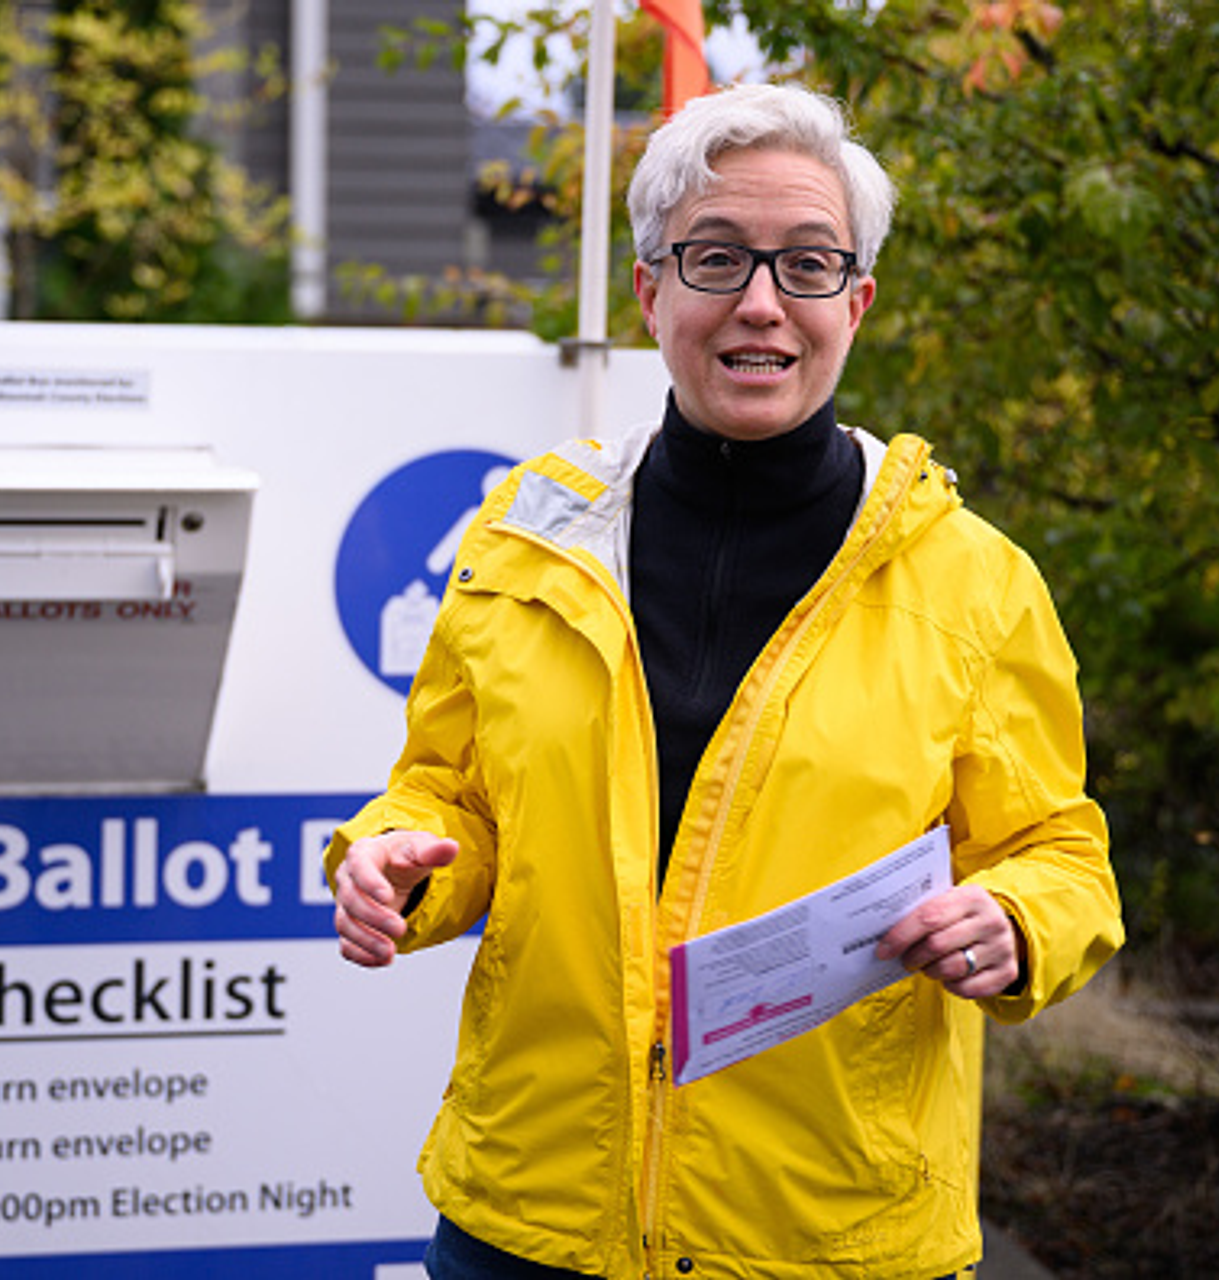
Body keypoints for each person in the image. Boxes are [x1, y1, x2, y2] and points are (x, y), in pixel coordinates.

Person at [327, 82, 1123, 1280]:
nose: (761, 302)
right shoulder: (526, 540)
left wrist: (1013, 920)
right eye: (716, 258)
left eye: (807, 264)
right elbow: (450, 793)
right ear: (650, 290)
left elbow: (1060, 851)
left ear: (857, 301)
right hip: (530, 1220)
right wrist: (398, 858)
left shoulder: (973, 582)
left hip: (828, 1231)